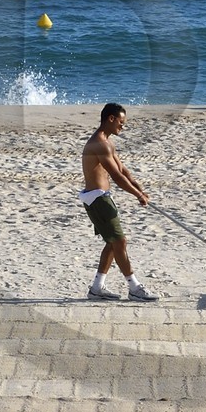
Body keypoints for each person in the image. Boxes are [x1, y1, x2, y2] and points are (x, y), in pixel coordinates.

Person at [80, 102, 157, 301]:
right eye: (121, 123)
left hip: (103, 198)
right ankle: (134, 288)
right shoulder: (98, 143)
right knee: (119, 242)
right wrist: (137, 196)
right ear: (111, 119)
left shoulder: (108, 142)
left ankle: (97, 288)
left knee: (113, 243)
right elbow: (116, 177)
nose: (122, 126)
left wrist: (139, 187)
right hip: (97, 199)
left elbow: (123, 171)